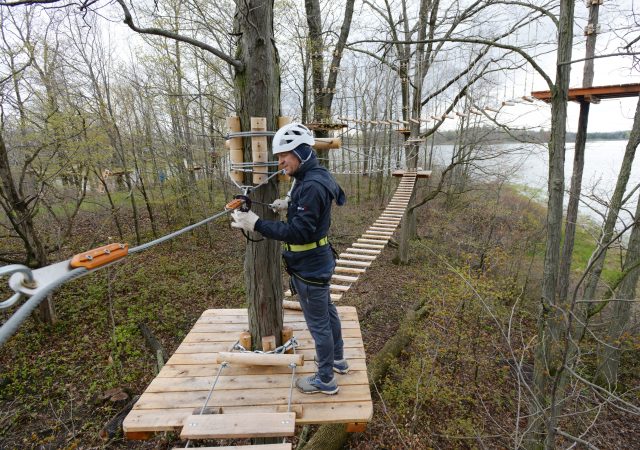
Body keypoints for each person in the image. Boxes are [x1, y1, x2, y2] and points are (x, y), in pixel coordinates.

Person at [230, 123, 348, 395]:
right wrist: (291, 204)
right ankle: (338, 359)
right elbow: (334, 197)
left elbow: (298, 232)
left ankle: (326, 379)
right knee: (327, 311)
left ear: (303, 152)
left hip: (309, 264)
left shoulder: (311, 186)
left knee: (318, 323)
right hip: (318, 259)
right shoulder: (316, 176)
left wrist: (256, 223)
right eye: (279, 156)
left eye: (286, 155)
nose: (281, 162)